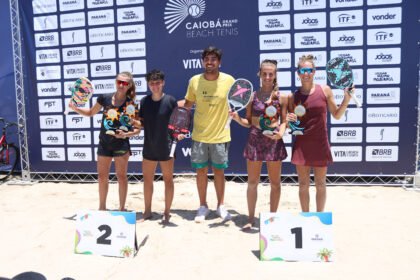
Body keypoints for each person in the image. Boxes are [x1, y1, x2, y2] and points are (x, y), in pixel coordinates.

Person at [286, 55, 354, 212]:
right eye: (303, 70)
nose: (306, 73)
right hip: (302, 145)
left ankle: (320, 217)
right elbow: (293, 125)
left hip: (320, 143)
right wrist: (290, 120)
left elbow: (336, 115)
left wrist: (346, 99)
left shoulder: (325, 90)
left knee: (321, 184)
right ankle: (305, 216)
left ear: (314, 72)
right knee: (303, 185)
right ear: (298, 73)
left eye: (309, 70)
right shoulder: (293, 97)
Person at [179, 46, 235, 222]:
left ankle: (220, 206)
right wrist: (167, 106)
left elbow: (238, 102)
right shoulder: (194, 81)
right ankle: (203, 206)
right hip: (199, 136)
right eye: (206, 59)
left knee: (219, 173)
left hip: (220, 136)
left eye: (213, 59)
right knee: (201, 172)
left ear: (219, 62)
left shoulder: (229, 80)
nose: (209, 62)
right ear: (202, 61)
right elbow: (188, 103)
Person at [69, 72, 140, 211]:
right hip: (104, 144)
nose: (121, 85)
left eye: (125, 83)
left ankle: (122, 208)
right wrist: (75, 108)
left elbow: (137, 129)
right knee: (102, 177)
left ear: (129, 86)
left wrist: (125, 135)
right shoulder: (105, 98)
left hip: (121, 145)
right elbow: (90, 113)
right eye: (119, 81)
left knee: (121, 177)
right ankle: (102, 209)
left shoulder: (131, 105)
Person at [231, 59, 288, 230]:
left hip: (273, 141)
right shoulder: (252, 97)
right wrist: (236, 118)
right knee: (252, 183)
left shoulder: (282, 97)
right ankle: (250, 219)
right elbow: (248, 122)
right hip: (255, 140)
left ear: (275, 75)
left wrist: (282, 133)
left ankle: (272, 219)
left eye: (271, 74)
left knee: (275, 183)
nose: (268, 76)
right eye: (265, 73)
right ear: (260, 74)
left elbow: (284, 121)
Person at [131, 69, 184, 224]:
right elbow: (142, 123)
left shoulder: (170, 100)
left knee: (168, 180)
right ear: (148, 84)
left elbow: (177, 123)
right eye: (152, 83)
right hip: (149, 146)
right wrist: (134, 122)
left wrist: (179, 133)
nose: (155, 86)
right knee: (147, 180)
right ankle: (147, 212)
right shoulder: (144, 101)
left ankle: (167, 213)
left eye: (158, 83)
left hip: (167, 147)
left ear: (163, 83)